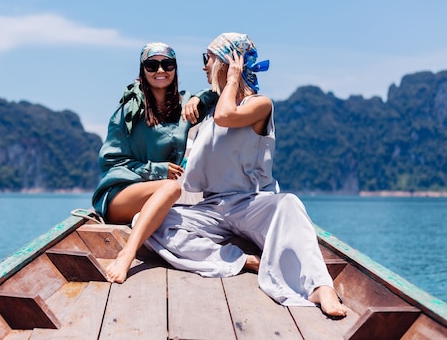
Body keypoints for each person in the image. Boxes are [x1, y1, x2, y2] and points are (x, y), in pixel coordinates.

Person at [145, 33, 348, 317]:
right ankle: (240, 261)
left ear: (229, 63)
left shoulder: (259, 105)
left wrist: (231, 80)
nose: (204, 67)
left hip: (251, 203)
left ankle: (320, 287)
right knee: (149, 220)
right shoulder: (211, 107)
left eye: (209, 59)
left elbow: (226, 117)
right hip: (213, 207)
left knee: (289, 204)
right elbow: (209, 119)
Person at [92, 42, 217, 284]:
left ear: (175, 69)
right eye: (152, 64)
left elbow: (219, 92)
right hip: (120, 193)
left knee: (171, 190)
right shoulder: (128, 112)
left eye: (167, 64)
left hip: (156, 194)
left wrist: (199, 99)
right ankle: (127, 254)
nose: (160, 70)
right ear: (142, 71)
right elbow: (111, 162)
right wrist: (156, 170)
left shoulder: (185, 107)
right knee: (171, 187)